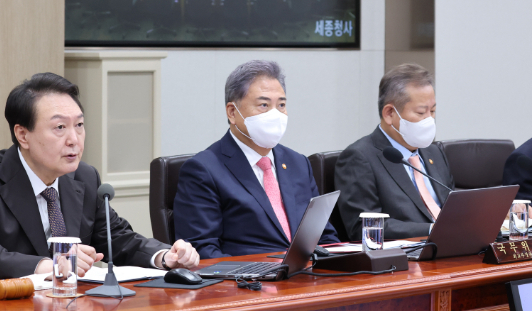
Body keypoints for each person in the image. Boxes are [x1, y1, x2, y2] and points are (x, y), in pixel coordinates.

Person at [0, 73, 199, 279]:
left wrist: (165, 256)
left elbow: (117, 238)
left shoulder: (84, 177)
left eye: (79, 125)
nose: (74, 140)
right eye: (60, 128)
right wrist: (53, 266)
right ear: (23, 135)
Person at [173, 61, 339, 259]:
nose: (275, 114)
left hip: (306, 278)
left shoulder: (298, 163)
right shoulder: (203, 170)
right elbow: (203, 251)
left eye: (281, 105)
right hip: (248, 283)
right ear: (232, 112)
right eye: (264, 105)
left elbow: (324, 236)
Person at [334, 64, 455, 241]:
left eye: (433, 111)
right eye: (421, 112)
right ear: (390, 113)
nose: (429, 119)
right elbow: (363, 228)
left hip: (453, 249)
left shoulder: (434, 152)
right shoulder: (359, 158)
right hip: (407, 260)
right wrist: (433, 229)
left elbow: (453, 207)